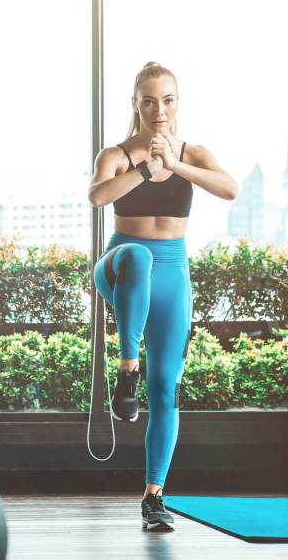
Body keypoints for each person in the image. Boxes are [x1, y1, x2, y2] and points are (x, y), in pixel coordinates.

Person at [87, 61, 238, 531]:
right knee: (140, 257)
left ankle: (154, 497)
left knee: (166, 391)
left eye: (168, 100)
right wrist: (145, 170)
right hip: (121, 264)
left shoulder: (193, 152)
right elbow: (97, 196)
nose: (159, 110)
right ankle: (127, 365)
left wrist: (173, 165)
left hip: (174, 272)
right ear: (136, 103)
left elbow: (230, 189)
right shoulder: (114, 154)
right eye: (149, 100)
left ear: (177, 103)